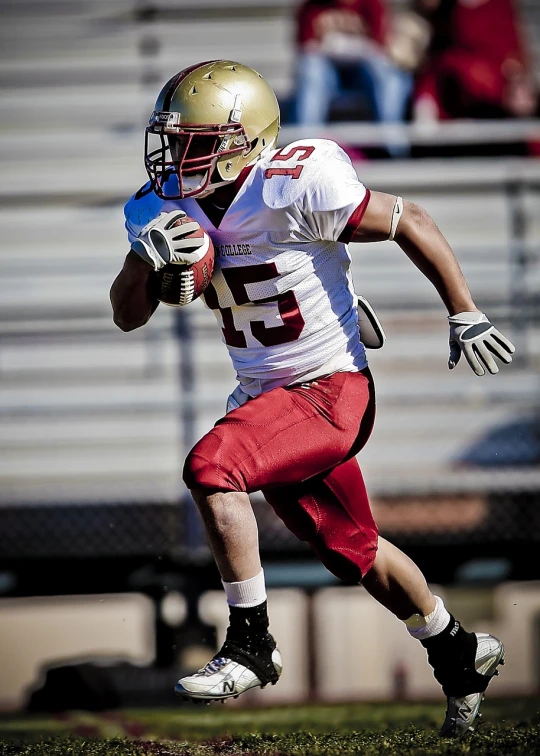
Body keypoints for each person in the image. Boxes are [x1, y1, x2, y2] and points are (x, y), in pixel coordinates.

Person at [110, 60, 514, 737]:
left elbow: (408, 217)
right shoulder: (160, 207)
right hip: (266, 398)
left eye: (197, 141)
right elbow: (128, 315)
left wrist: (463, 310)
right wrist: (144, 266)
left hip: (330, 389)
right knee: (352, 549)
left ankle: (250, 642)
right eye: (173, 141)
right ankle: (459, 650)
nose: (178, 157)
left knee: (213, 466)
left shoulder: (294, 182)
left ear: (247, 140)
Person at [294, 0, 413, 128]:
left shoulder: (372, 4)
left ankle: (392, 142)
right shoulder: (312, 7)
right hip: (328, 76)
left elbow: (379, 48)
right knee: (313, 69)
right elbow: (306, 49)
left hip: (364, 76)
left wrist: (344, 47)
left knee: (392, 78)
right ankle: (307, 142)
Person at [413, 0, 538, 122]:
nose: (522, 96)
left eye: (519, 100)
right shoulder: (515, 64)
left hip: (468, 30)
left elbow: (446, 62)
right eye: (528, 98)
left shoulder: (491, 81)